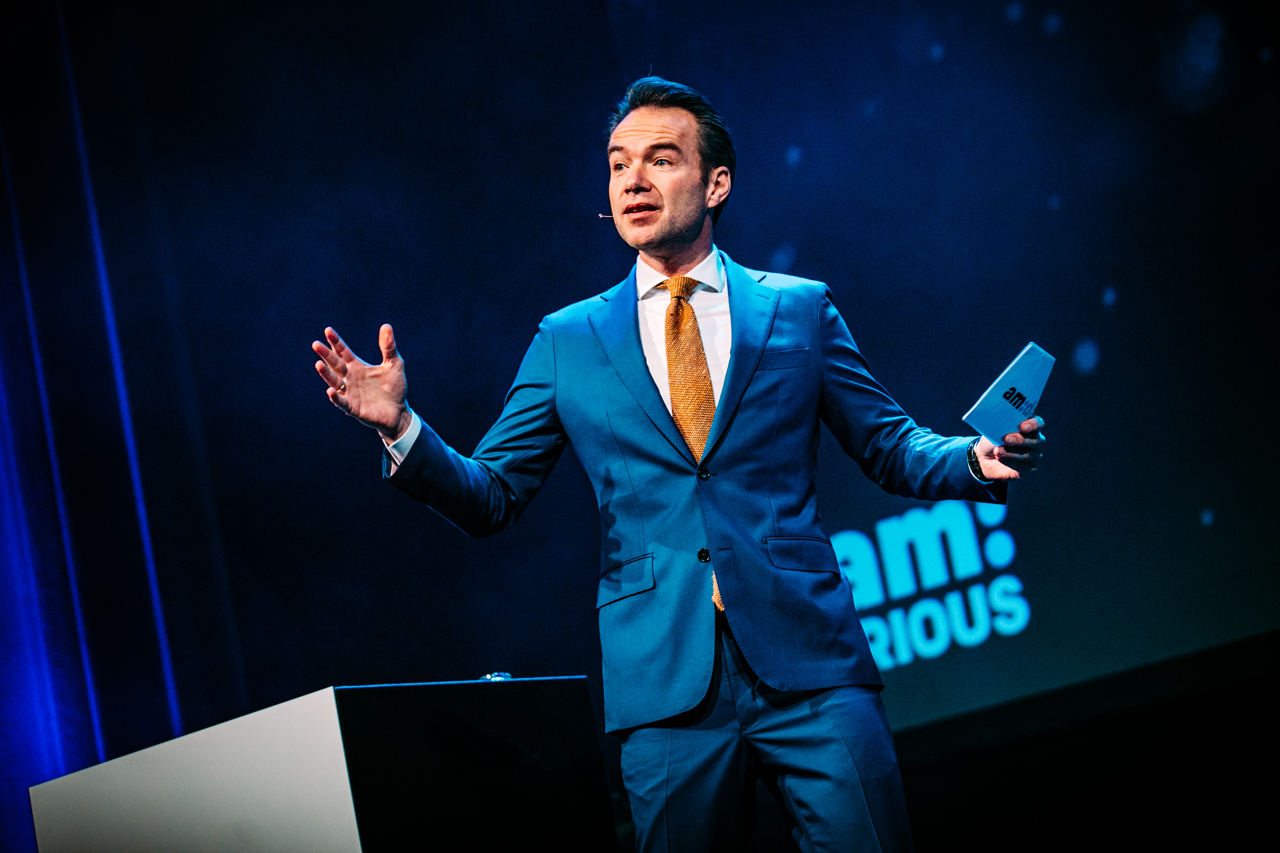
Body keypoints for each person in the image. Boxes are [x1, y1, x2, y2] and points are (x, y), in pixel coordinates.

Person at [312, 77, 1043, 852]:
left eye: (661, 160)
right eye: (618, 164)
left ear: (716, 183)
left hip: (811, 663)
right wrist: (402, 428)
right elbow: (491, 494)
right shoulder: (568, 339)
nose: (633, 179)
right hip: (663, 686)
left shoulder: (799, 308)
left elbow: (889, 443)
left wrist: (974, 457)